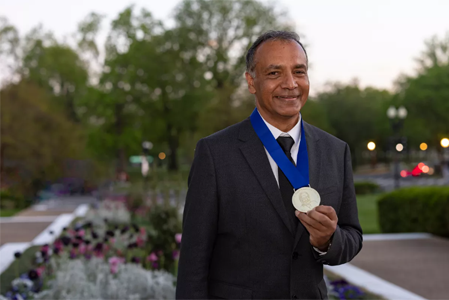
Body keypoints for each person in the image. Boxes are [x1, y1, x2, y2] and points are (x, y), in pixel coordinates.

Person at [176, 30, 363, 300]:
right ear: (251, 82)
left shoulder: (335, 150)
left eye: (299, 72)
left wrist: (327, 240)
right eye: (275, 73)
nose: (290, 84)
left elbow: (352, 236)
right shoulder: (215, 153)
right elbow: (194, 260)